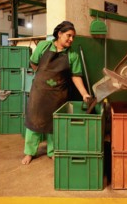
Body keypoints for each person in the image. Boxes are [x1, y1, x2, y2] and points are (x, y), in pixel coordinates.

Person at [22, 21, 91, 165]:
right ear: (59, 34)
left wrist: (84, 94)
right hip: (39, 92)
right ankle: (29, 152)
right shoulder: (43, 46)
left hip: (58, 94)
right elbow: (34, 63)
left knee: (54, 124)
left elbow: (76, 76)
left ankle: (52, 151)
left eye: (73, 37)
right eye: (69, 35)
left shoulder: (72, 55)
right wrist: (43, 76)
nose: (71, 39)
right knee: (34, 122)